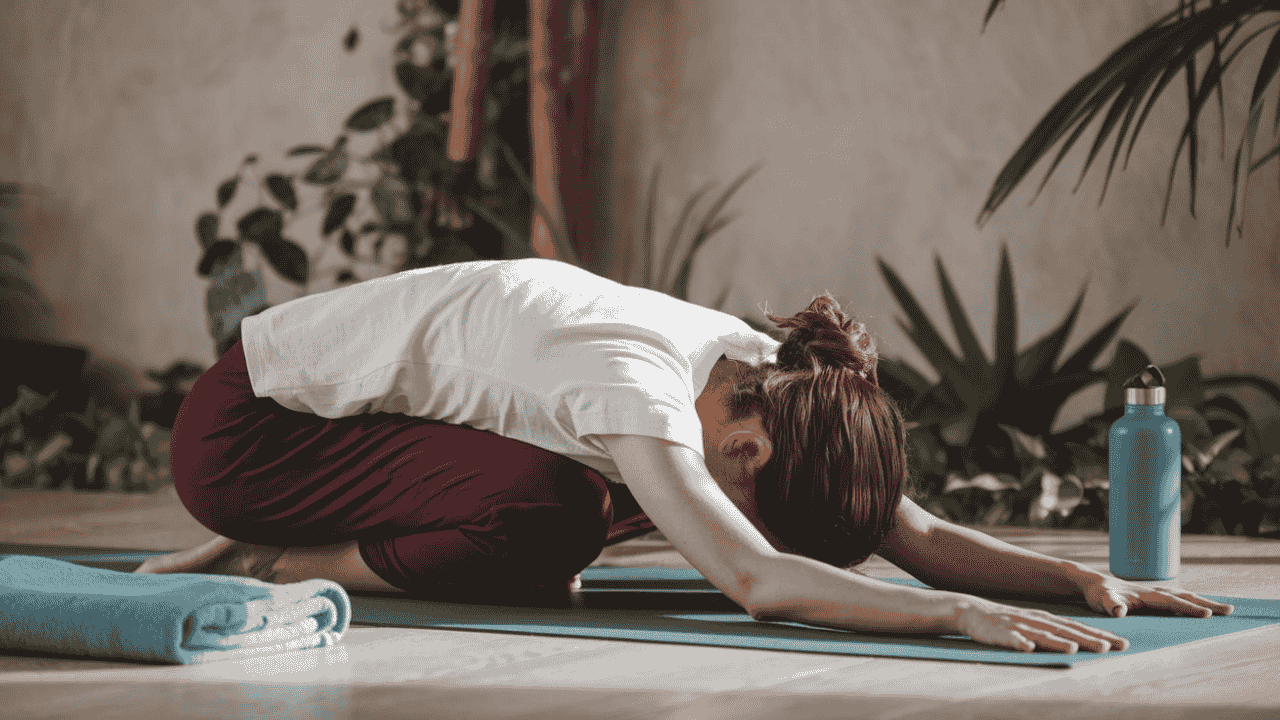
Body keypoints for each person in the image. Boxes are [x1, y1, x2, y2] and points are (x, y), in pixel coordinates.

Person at [137, 257, 1232, 653]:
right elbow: (755, 581)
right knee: (554, 513)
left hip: (352, 435)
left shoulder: (770, 381)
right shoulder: (638, 384)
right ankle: (268, 561)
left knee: (572, 507)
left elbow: (912, 531)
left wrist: (1085, 584)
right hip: (250, 437)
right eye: (761, 499)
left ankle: (274, 544)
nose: (749, 516)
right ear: (751, 447)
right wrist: (952, 619)